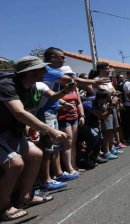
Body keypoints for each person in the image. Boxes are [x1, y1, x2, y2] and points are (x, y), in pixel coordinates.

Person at [0, 56, 69, 221]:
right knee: (15, 163)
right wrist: (50, 130)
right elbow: (18, 112)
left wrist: (29, 127)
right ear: (30, 72)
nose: (46, 71)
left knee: (36, 155)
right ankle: (3, 206)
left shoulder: (30, 87)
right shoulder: (6, 85)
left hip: (9, 129)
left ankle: (24, 197)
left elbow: (25, 112)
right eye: (42, 69)